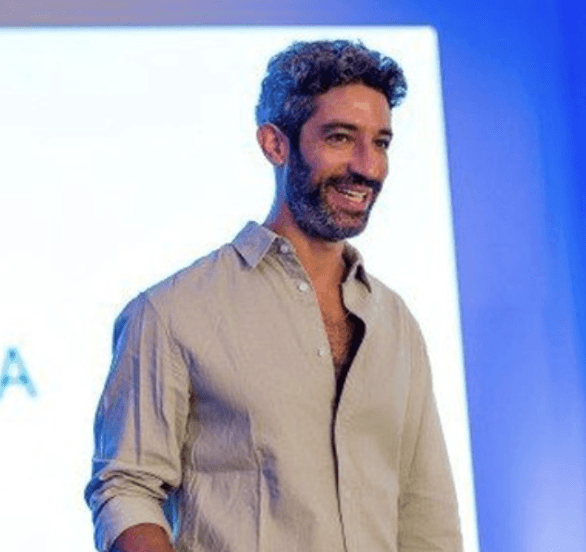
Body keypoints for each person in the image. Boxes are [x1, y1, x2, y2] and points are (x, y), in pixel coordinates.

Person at [85, 39, 462, 552]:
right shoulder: (171, 312)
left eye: (381, 143)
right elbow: (126, 488)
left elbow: (426, 514)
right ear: (275, 144)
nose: (368, 166)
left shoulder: (395, 321)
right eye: (340, 138)